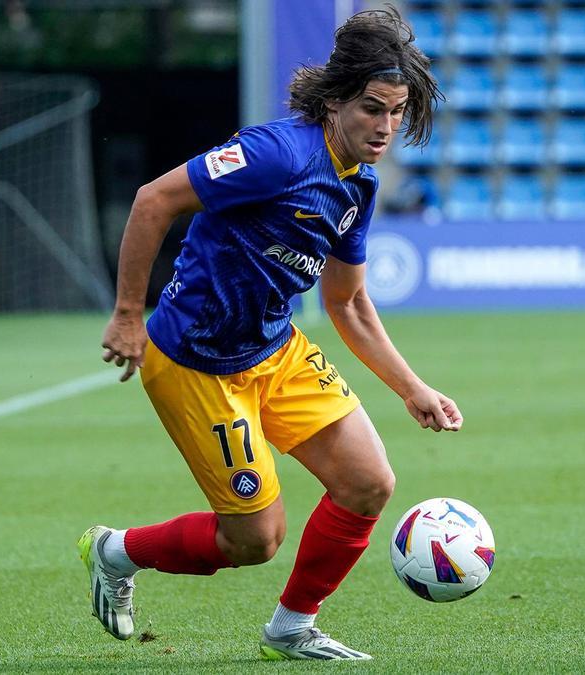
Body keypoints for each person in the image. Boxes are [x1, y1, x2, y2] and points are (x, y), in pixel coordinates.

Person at [78, 8, 458, 661]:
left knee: (368, 480)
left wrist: (411, 387)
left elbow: (350, 302)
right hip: (196, 361)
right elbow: (152, 200)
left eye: (396, 112)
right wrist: (127, 315)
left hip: (274, 351)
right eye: (372, 108)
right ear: (336, 99)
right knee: (254, 540)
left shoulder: (358, 186)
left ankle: (291, 628)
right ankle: (114, 551)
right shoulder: (273, 154)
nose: (385, 127)